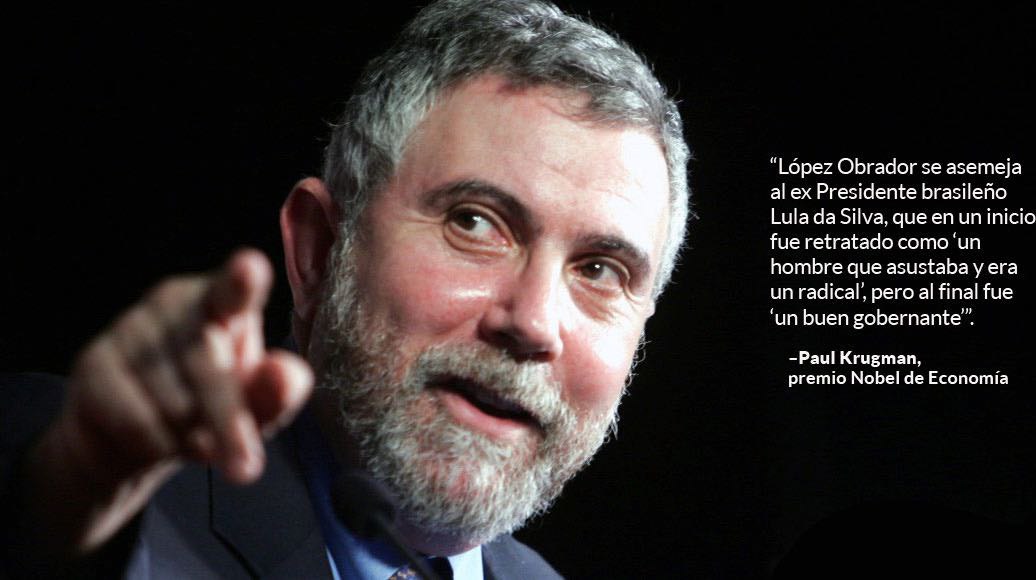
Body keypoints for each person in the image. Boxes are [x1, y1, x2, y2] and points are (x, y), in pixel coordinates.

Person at [0, 0, 690, 577]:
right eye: (475, 223)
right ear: (319, 251)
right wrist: (66, 497)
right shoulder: (88, 481)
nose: (534, 322)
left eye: (600, 270)